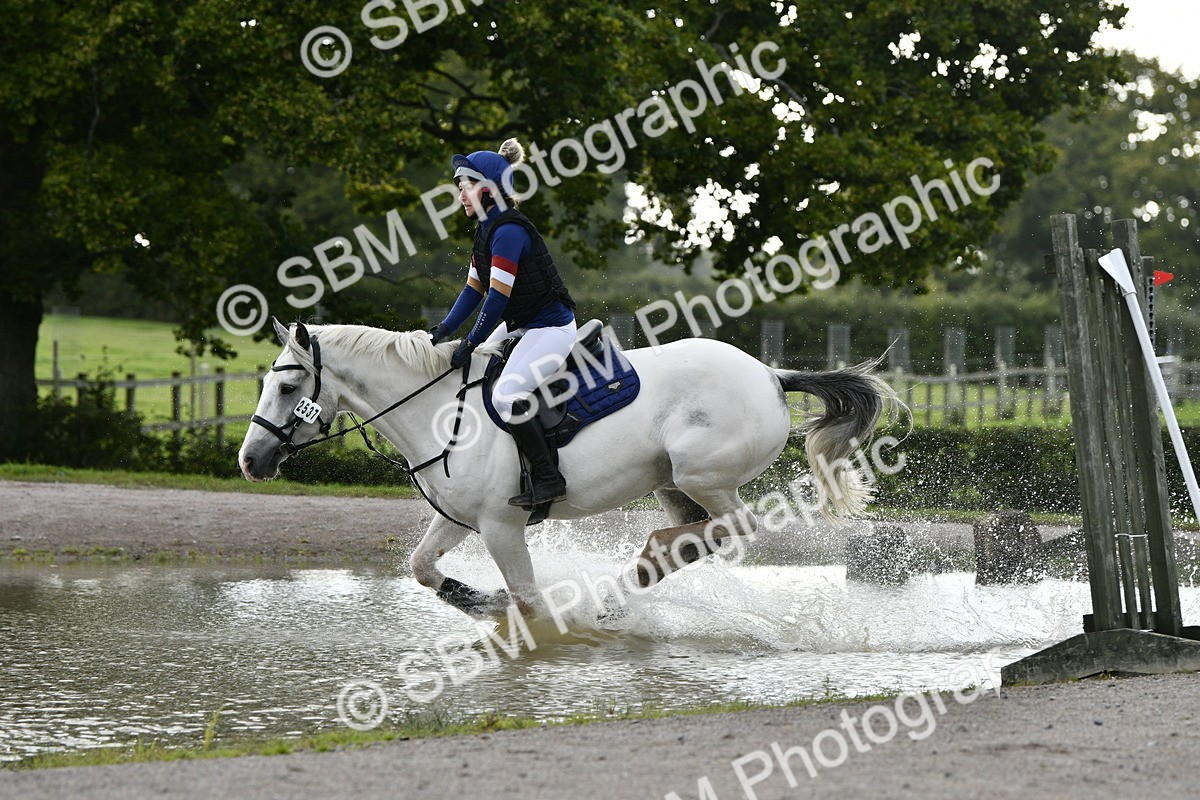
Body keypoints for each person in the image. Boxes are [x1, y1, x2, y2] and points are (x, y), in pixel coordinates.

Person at [428, 138, 578, 509]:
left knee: (507, 395)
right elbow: (473, 290)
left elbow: (497, 299)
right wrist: (444, 331)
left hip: (551, 328)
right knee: (477, 372)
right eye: (460, 187)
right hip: (522, 324)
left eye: (467, 186)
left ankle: (548, 477)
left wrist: (471, 341)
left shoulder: (508, 232)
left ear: (489, 189)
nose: (461, 195)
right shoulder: (486, 229)